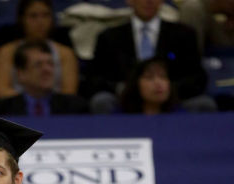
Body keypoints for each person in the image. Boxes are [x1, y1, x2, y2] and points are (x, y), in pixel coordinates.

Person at [85, 0, 215, 114]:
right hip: (124, 103)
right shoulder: (109, 37)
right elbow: (94, 78)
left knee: (203, 104)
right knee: (102, 101)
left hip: (172, 102)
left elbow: (197, 77)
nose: (149, 1)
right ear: (130, 0)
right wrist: (124, 89)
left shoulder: (184, 34)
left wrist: (167, 89)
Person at [0, 0, 79, 99]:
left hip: (56, 111)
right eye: (33, 16)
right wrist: (32, 102)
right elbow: (2, 91)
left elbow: (69, 93)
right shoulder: (6, 52)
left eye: (45, 15)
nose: (40, 21)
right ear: (22, 19)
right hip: (16, 111)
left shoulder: (66, 53)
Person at [0, 40, 88, 116]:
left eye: (50, 64)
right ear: (21, 74)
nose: (47, 70)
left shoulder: (75, 108)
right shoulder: (2, 111)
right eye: (38, 65)